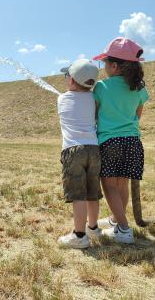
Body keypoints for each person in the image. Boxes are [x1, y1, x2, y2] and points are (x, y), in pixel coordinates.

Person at [92, 37, 149, 244]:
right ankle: (117, 220)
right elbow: (137, 115)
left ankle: (124, 229)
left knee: (108, 185)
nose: (103, 67)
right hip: (133, 142)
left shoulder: (101, 88)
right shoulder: (139, 88)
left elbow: (95, 116)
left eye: (104, 63)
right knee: (122, 183)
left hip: (110, 143)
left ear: (114, 66)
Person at [57, 59, 102, 249]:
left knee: (78, 195)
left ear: (72, 80)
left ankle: (80, 236)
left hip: (73, 150)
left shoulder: (62, 99)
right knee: (93, 193)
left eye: (67, 75)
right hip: (94, 149)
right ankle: (93, 228)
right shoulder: (95, 99)